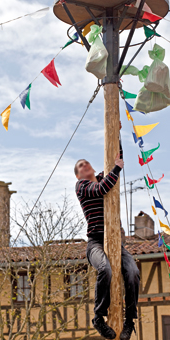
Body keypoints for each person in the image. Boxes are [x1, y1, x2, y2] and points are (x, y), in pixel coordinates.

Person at [74, 123, 140, 340]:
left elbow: (116, 157)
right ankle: (98, 317)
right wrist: (117, 169)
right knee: (105, 269)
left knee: (131, 272)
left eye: (86, 164)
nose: (85, 166)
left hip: (115, 241)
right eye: (80, 166)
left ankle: (129, 321)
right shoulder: (83, 187)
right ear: (78, 175)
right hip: (95, 242)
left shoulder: (104, 177)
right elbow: (103, 188)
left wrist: (116, 133)